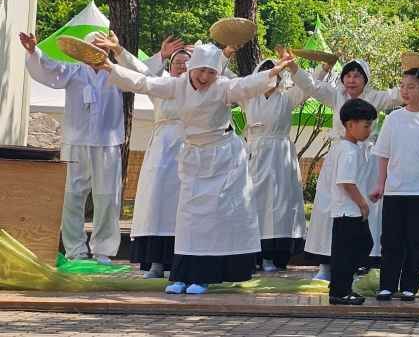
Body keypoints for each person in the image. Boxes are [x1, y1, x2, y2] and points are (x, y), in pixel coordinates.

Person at [95, 41, 294, 295]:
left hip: (224, 159)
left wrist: (274, 72)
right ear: (191, 68)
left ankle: (204, 276)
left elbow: (245, 85)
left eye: (211, 72)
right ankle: (182, 274)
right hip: (193, 158)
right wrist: (110, 67)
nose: (204, 77)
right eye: (200, 70)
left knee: (212, 219)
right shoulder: (177, 85)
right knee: (188, 219)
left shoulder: (223, 87)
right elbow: (143, 82)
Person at [18, 31, 125, 264]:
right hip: (76, 142)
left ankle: (103, 250)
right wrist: (33, 51)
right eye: (93, 48)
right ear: (82, 52)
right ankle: (75, 250)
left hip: (107, 143)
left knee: (108, 196)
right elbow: (48, 68)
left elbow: (143, 75)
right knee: (72, 196)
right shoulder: (74, 72)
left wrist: (159, 56)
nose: (97, 53)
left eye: (102, 48)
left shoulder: (116, 74)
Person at [93, 33, 189, 278]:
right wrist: (118, 50)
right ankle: (156, 262)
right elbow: (138, 74)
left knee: (184, 206)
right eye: (177, 63)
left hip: (189, 150)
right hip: (162, 150)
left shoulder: (199, 89)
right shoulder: (162, 84)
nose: (182, 67)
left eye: (187, 63)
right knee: (156, 203)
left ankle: (184, 262)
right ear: (170, 67)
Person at [303, 59, 401, 280]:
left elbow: (399, 94)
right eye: (348, 75)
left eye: (357, 75)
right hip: (339, 155)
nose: (352, 79)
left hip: (366, 160)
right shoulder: (335, 95)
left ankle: (360, 262)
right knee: (328, 208)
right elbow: (310, 86)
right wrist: (293, 69)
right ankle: (326, 263)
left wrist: (416, 77)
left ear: (365, 79)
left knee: (365, 209)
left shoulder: (375, 97)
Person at [370, 67, 419, 301]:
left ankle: (410, 286)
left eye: (411, 86)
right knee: (391, 239)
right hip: (395, 190)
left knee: (415, 241)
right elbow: (383, 154)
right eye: (403, 86)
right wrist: (380, 184)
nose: (405, 91)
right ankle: (387, 285)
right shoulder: (393, 118)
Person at [242, 55, 320, 272]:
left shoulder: (287, 98)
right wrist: (226, 52)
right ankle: (253, 254)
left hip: (280, 156)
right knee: (254, 202)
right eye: (267, 74)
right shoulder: (247, 98)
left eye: (276, 74)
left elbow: (309, 86)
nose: (271, 79)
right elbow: (226, 81)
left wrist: (323, 68)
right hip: (255, 153)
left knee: (279, 204)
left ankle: (275, 255)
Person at [329, 98, 379, 306]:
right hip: (347, 212)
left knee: (362, 244)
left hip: (350, 211)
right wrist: (363, 204)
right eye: (366, 125)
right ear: (350, 125)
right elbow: (346, 182)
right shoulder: (348, 151)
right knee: (347, 253)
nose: (369, 130)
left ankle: (341, 287)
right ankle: (340, 291)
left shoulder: (350, 148)